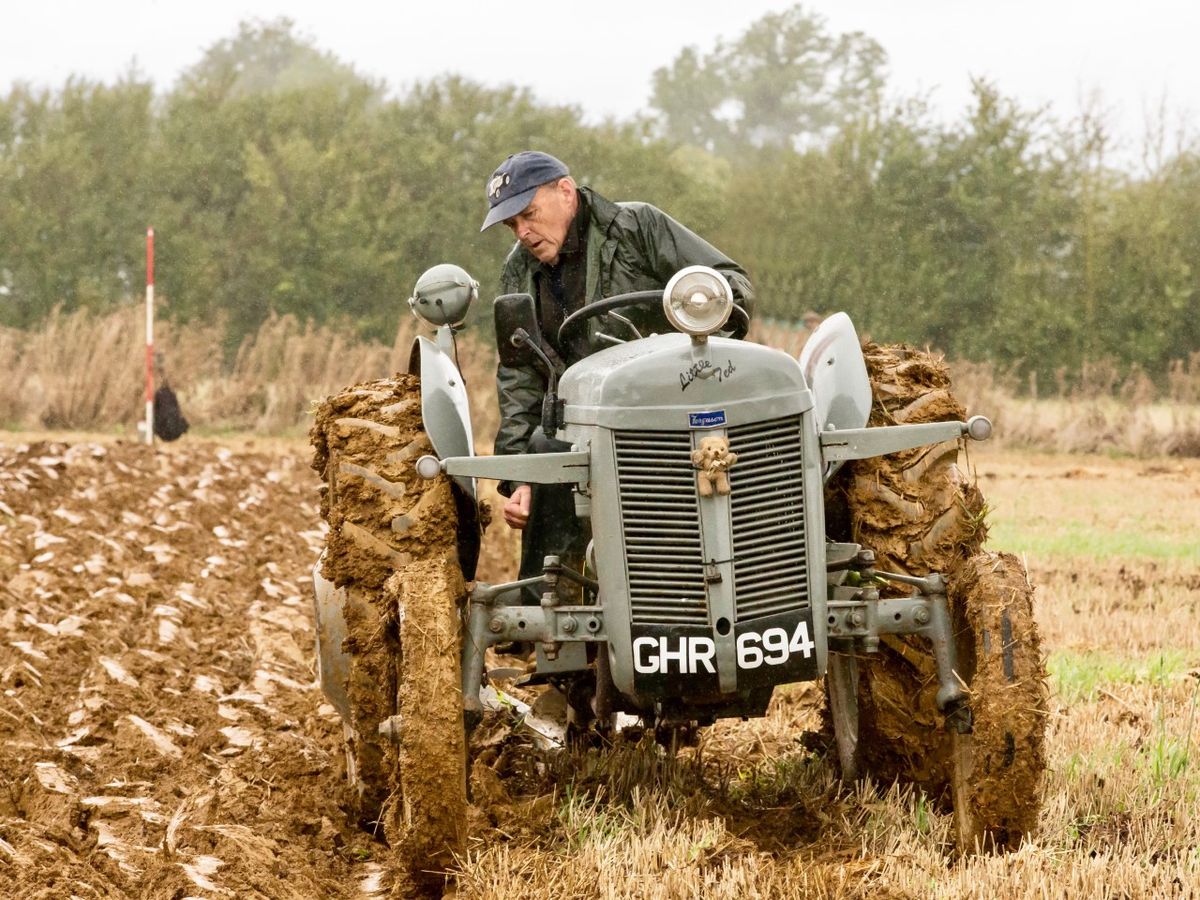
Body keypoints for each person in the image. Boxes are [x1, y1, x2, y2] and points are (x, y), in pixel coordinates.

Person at [481, 150, 754, 592]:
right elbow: (519, 376)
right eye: (513, 225)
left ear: (565, 192)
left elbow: (729, 282)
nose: (523, 232)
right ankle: (550, 631)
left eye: (528, 214)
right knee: (544, 449)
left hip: (681, 402)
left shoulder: (637, 226)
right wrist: (519, 477)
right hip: (588, 426)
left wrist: (699, 309)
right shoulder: (519, 270)